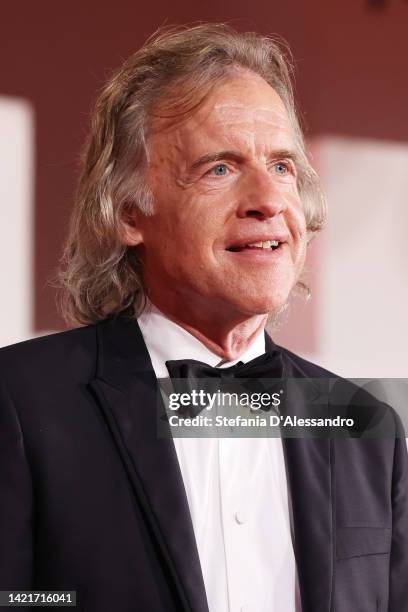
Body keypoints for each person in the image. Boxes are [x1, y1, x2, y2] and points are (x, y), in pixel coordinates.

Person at [0, 23, 407, 612]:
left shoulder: (366, 426)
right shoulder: (20, 400)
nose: (267, 200)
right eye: (219, 168)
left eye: (284, 167)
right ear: (129, 210)